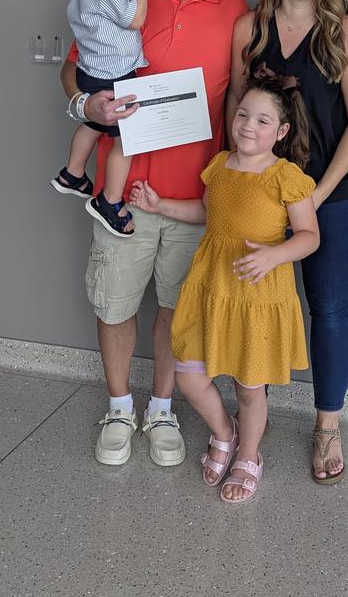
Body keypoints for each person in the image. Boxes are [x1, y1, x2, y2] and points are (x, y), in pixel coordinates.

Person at [60, 0, 248, 467]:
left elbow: (239, 98)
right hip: (123, 192)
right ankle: (120, 407)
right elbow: (75, 69)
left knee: (175, 308)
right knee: (115, 303)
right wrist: (84, 109)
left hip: (195, 197)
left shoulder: (234, 6)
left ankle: (162, 409)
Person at [228, 0, 348, 484]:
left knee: (329, 306)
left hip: (336, 194)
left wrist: (315, 195)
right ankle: (252, 422)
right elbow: (237, 106)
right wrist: (238, 175)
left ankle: (328, 425)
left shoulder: (347, 34)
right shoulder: (250, 28)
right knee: (258, 301)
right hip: (264, 192)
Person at [129, 76, 319, 504]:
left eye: (263, 120)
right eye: (243, 114)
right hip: (212, 286)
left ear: (281, 131)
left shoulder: (286, 177)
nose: (248, 125)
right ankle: (224, 432)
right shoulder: (221, 165)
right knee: (190, 375)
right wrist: (160, 205)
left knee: (250, 387)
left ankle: (248, 456)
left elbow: (310, 235)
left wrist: (274, 255)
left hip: (256, 295)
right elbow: (205, 210)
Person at [52, 0, 147, 238]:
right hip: (116, 74)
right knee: (128, 141)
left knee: (91, 124)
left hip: (91, 72)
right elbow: (134, 20)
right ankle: (109, 200)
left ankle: (72, 172)